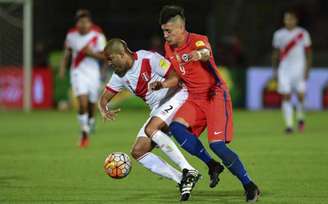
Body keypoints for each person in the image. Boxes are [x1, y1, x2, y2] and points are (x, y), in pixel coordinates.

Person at [150, 5, 260, 202]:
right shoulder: (168, 48)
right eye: (163, 31)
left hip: (215, 95)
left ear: (181, 27)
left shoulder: (198, 40)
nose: (165, 36)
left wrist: (197, 55)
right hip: (194, 98)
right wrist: (163, 84)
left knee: (217, 145)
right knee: (177, 128)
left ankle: (249, 185)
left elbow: (205, 53)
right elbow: (177, 77)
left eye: (168, 31)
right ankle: (211, 165)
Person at [98, 38, 201, 201]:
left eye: (111, 59)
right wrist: (103, 109)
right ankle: (181, 179)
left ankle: (188, 169)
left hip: (177, 96)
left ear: (122, 53)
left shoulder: (149, 58)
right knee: (138, 152)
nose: (109, 63)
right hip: (158, 109)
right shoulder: (119, 75)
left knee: (151, 129)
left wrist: (163, 85)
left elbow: (176, 78)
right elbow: (104, 98)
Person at [59, 9, 107, 147]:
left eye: (85, 21)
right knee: (82, 103)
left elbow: (105, 56)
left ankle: (90, 123)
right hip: (77, 72)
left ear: (90, 23)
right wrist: (63, 67)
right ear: (77, 23)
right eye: (80, 21)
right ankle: (84, 133)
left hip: (93, 73)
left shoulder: (97, 35)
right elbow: (67, 52)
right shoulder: (71, 35)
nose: (83, 24)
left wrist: (91, 54)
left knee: (92, 105)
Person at [272, 10, 312, 134]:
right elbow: (276, 53)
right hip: (284, 69)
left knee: (300, 96)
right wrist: (274, 69)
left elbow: (309, 53)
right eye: (287, 19)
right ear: (284, 20)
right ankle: (289, 125)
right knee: (286, 96)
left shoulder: (303, 33)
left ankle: (300, 117)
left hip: (299, 68)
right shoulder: (278, 34)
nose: (289, 21)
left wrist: (307, 69)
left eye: (291, 19)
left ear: (296, 20)